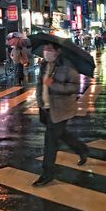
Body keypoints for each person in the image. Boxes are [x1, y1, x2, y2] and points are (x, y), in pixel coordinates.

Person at [32, 42, 89, 187]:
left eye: (49, 49)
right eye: (45, 48)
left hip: (62, 108)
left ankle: (47, 174)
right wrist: (40, 102)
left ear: (58, 51)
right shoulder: (44, 64)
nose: (46, 51)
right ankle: (81, 148)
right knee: (61, 133)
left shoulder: (68, 67)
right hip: (46, 107)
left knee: (50, 141)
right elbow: (40, 85)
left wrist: (53, 85)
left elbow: (75, 87)